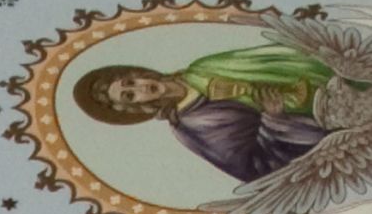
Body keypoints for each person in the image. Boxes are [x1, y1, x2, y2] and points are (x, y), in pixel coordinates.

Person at [72, 36, 348, 188]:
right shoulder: (193, 125)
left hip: (340, 85)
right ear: (136, 108)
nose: (141, 88)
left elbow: (275, 59)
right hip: (335, 131)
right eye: (131, 95)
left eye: (131, 81)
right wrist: (275, 119)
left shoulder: (201, 69)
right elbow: (258, 170)